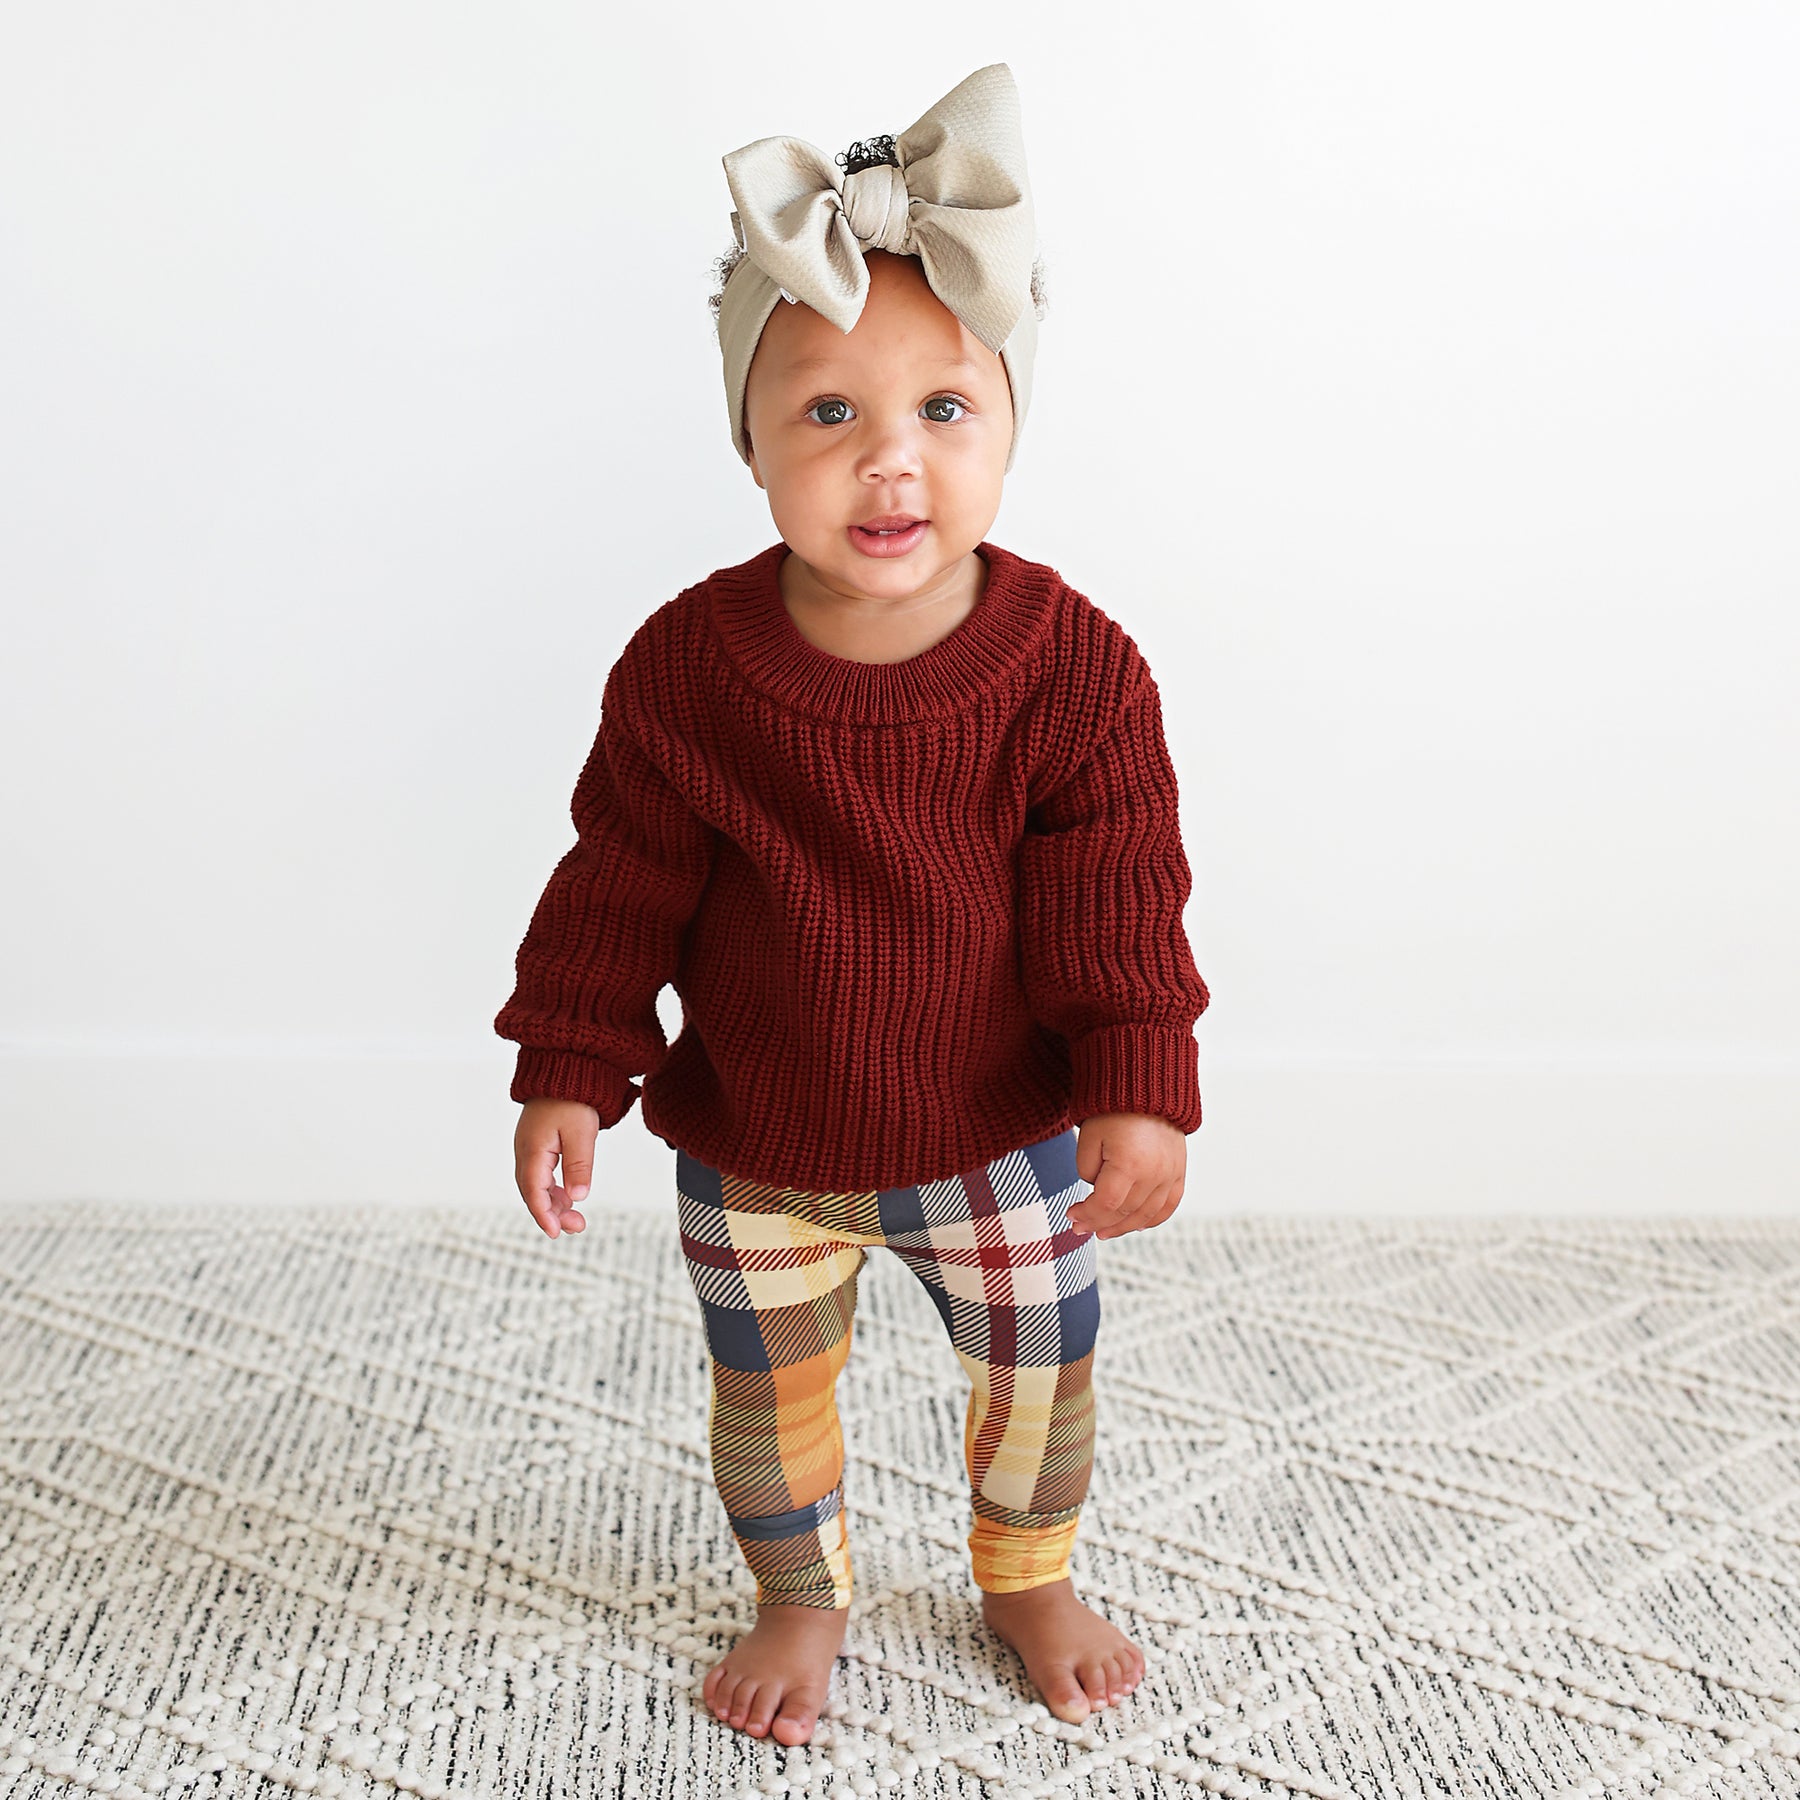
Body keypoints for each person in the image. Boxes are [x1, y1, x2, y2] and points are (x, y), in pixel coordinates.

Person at [493, 62, 1211, 1750]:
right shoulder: (690, 668)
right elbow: (617, 881)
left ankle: (1027, 1574)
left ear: (1012, 423)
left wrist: (1138, 1083)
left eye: (945, 410)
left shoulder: (1074, 670)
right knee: (767, 1402)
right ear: (747, 437)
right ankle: (798, 1595)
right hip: (762, 1140)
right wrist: (570, 1066)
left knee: (1042, 1375)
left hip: (999, 1132)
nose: (891, 463)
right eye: (827, 414)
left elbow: (1119, 890)